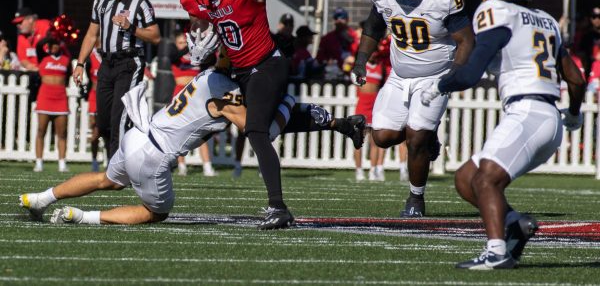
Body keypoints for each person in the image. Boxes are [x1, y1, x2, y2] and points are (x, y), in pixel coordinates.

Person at [179, 0, 366, 229]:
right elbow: (203, 22)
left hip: (268, 63)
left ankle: (278, 207)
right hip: (240, 70)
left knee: (256, 131)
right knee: (270, 125)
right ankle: (342, 124)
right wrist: (198, 42)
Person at [19, 67, 365, 225]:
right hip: (154, 155)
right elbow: (260, 129)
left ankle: (41, 198)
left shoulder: (207, 77)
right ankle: (82, 217)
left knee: (105, 179)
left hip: (138, 135)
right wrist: (288, 103)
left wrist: (331, 122)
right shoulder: (225, 93)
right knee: (156, 212)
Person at [420, 0, 586, 269]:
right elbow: (576, 79)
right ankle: (514, 223)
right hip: (546, 115)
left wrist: (441, 85)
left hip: (527, 111)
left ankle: (496, 252)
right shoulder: (547, 20)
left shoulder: (496, 11)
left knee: (485, 180)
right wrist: (575, 114)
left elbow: (469, 74)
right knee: (466, 178)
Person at [350, 0, 474, 217]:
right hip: (399, 75)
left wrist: (453, 74)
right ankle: (429, 138)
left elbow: (466, 40)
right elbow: (372, 27)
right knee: (382, 137)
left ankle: (416, 198)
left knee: (415, 137)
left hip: (435, 76)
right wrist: (360, 61)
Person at [73, 0, 161, 162]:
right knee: (102, 121)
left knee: (118, 118)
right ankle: (124, 160)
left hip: (129, 63)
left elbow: (155, 36)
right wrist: (80, 64)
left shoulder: (140, 3)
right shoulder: (101, 1)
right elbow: (91, 34)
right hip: (107, 63)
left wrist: (131, 28)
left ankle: (116, 170)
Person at [169, 30, 216, 177]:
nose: (183, 45)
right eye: (181, 42)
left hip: (197, 95)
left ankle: (207, 166)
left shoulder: (196, 56)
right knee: (179, 132)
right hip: (180, 95)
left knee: (202, 131)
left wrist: (200, 47)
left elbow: (212, 60)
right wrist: (189, 46)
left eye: (185, 42)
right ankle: (182, 166)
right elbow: (173, 57)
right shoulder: (176, 56)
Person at [353, 30, 391, 182]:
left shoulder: (381, 67)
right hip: (362, 105)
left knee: (375, 141)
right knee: (358, 139)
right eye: (372, 51)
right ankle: (358, 170)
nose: (374, 54)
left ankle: (373, 170)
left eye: (375, 51)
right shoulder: (361, 67)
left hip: (375, 107)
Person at [33, 36, 71, 172]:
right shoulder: (42, 57)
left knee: (62, 133)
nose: (54, 46)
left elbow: (68, 77)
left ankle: (62, 163)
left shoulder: (66, 59)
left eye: (56, 44)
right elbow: (39, 45)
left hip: (60, 99)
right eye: (51, 44)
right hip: (44, 98)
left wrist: (62, 38)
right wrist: (53, 34)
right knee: (41, 131)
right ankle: (39, 162)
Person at [316, 7, 358, 75]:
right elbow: (319, 58)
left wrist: (353, 60)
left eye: (342, 17)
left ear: (347, 20)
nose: (339, 20)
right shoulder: (327, 38)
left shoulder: (355, 36)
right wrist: (327, 61)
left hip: (352, 74)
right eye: (336, 18)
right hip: (332, 74)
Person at [84, 41, 104, 172]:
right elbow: (89, 77)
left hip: (108, 96)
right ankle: (94, 159)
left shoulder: (112, 56)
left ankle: (109, 159)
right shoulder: (91, 58)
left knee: (108, 130)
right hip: (94, 96)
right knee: (94, 130)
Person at [12, 7, 51, 71]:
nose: (18, 25)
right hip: (34, 72)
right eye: (16, 23)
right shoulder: (21, 36)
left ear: (30, 19)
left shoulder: (46, 26)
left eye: (20, 22)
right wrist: (30, 66)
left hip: (52, 70)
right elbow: (22, 58)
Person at [578, 6, 600, 78]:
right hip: (590, 70)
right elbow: (580, 52)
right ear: (590, 18)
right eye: (594, 16)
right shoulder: (586, 35)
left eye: (599, 17)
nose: (597, 19)